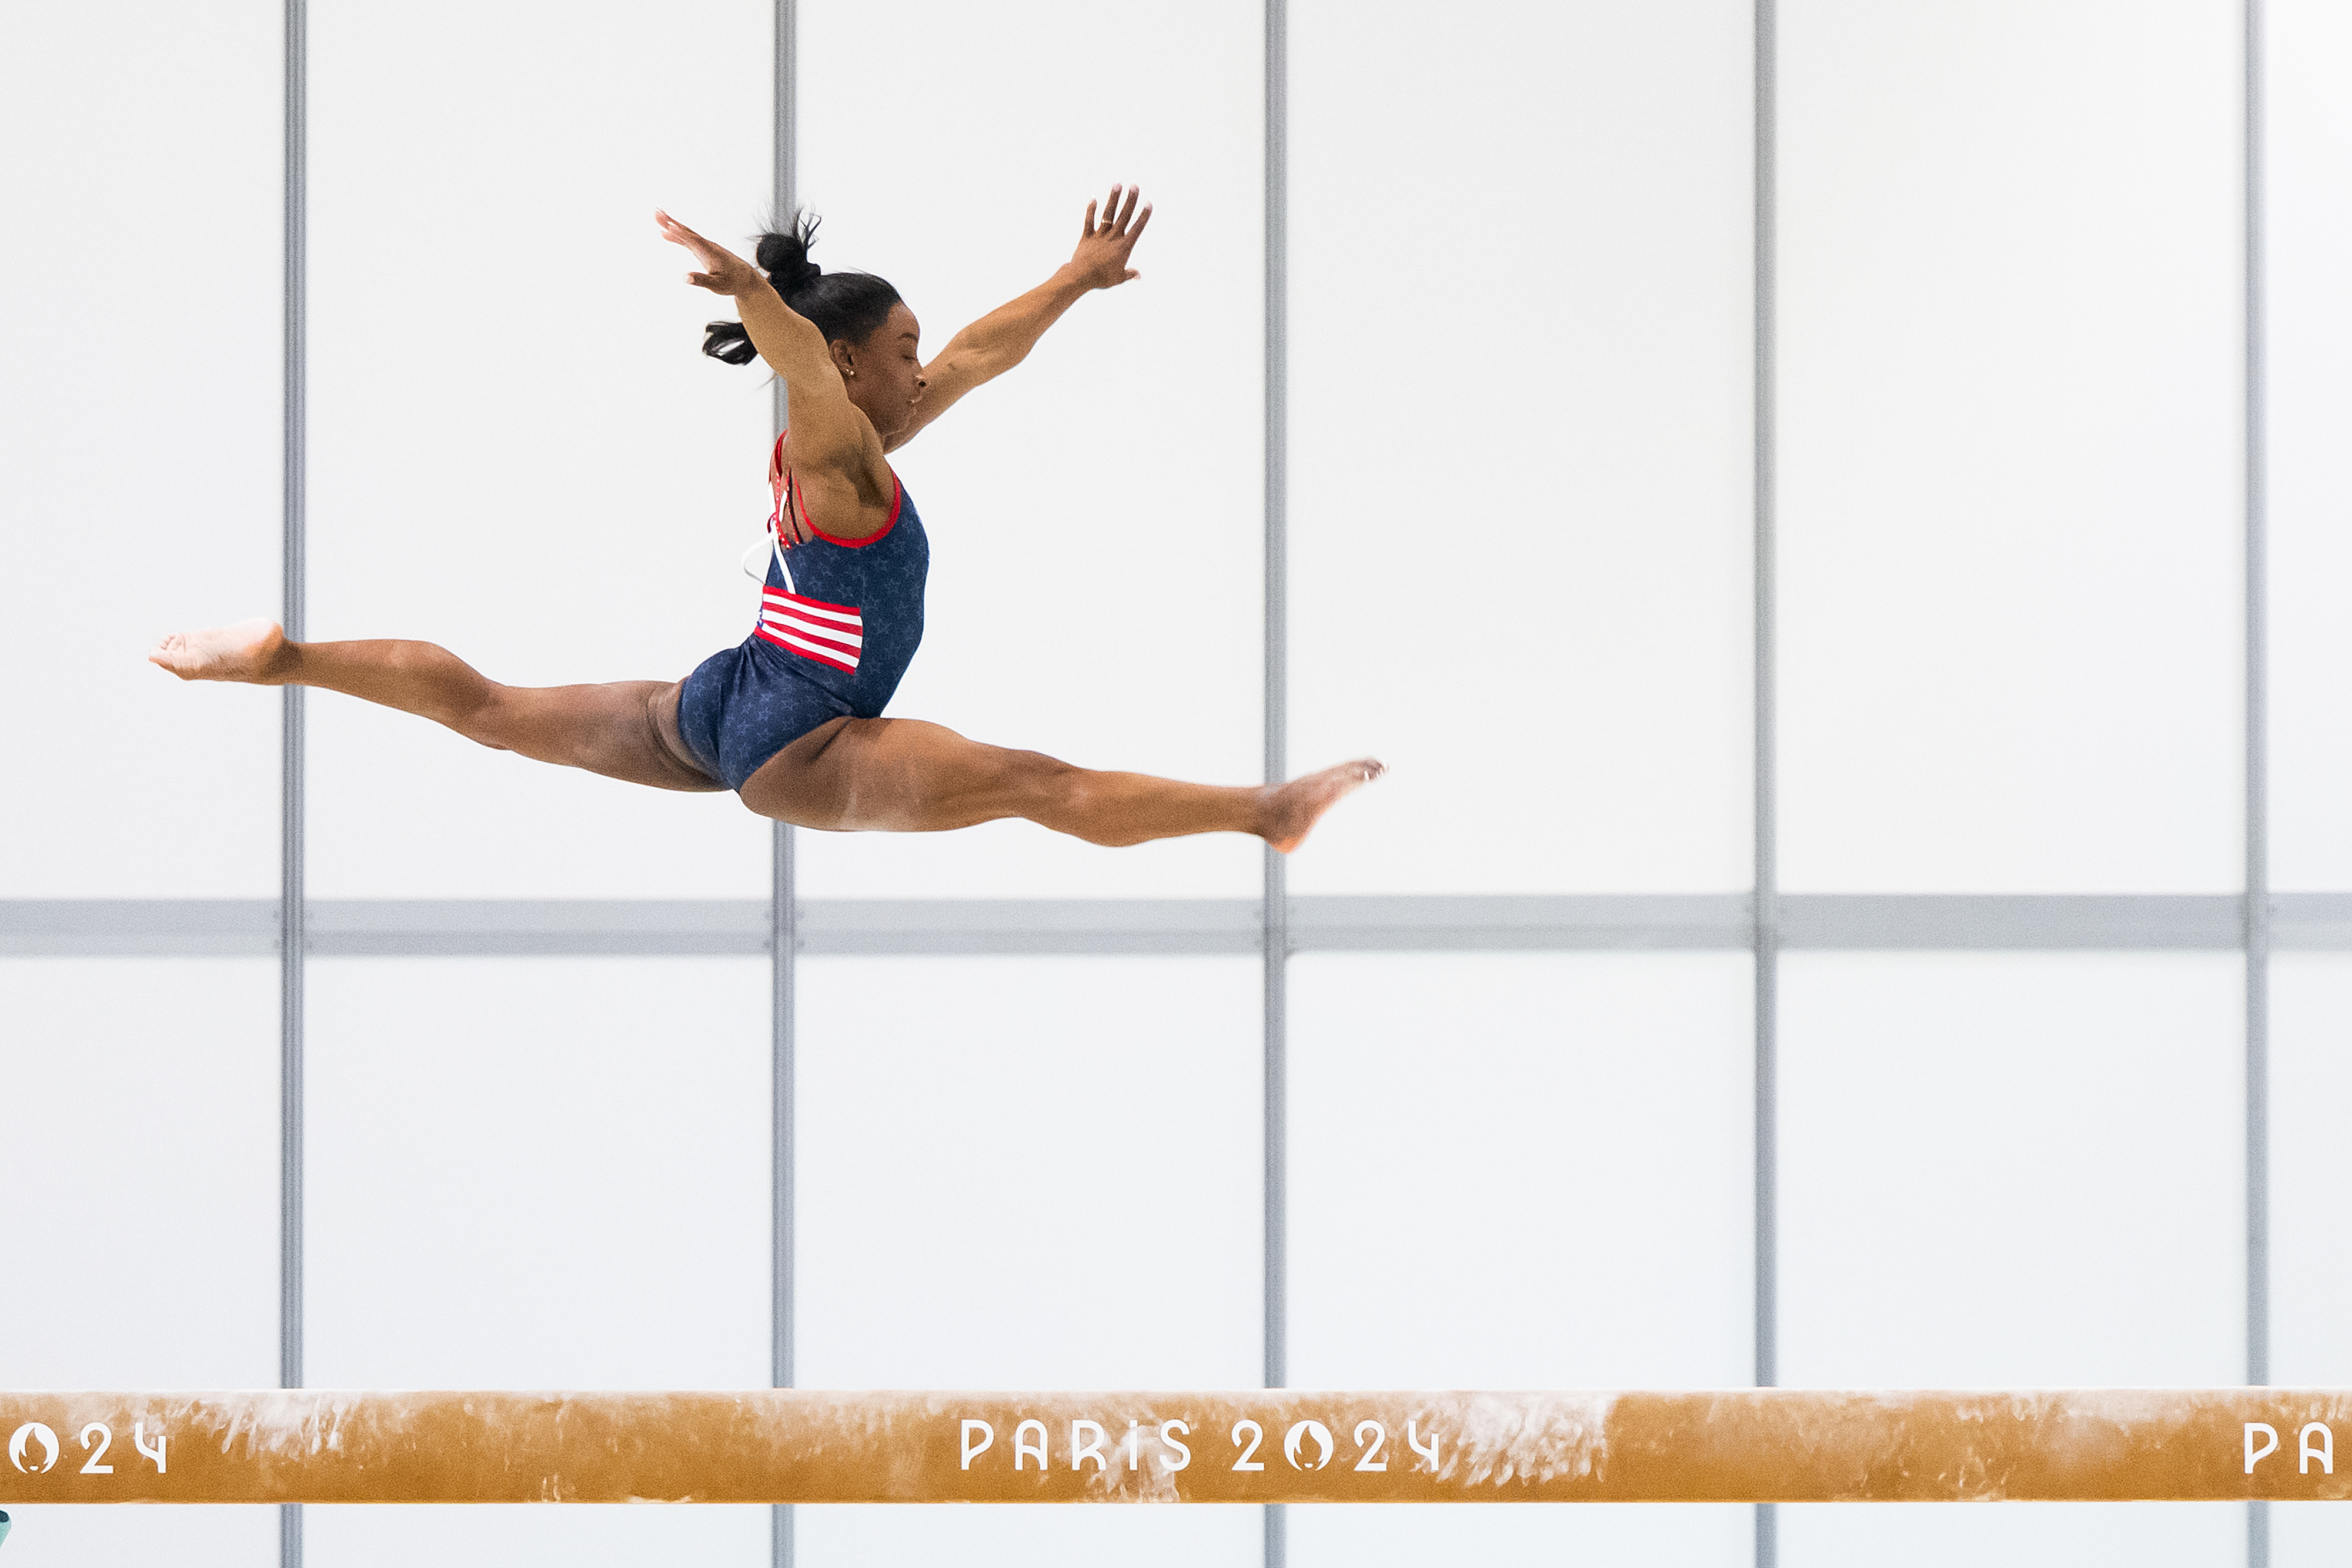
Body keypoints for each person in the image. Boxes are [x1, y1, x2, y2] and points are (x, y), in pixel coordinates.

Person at [151, 186, 1381, 852]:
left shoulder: (864, 431)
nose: (921, 368)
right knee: (1033, 785)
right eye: (897, 351)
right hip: (802, 739)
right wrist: (751, 289)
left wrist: (1068, 279)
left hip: (728, 695)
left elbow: (974, 356)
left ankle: (283, 659)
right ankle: (1260, 812)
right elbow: (801, 356)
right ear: (847, 365)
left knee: (493, 712)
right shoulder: (829, 435)